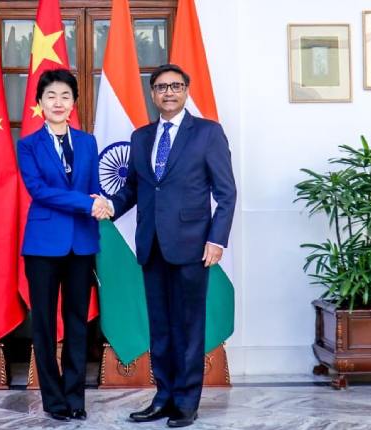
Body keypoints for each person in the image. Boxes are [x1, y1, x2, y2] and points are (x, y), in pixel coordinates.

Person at [106, 63, 236, 428]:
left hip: (193, 246)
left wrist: (217, 239)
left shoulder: (208, 133)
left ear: (186, 91)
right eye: (161, 87)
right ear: (152, 94)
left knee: (189, 327)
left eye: (176, 86)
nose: (168, 92)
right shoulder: (141, 137)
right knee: (160, 328)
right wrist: (111, 206)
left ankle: (186, 402)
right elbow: (134, 188)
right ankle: (163, 397)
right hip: (151, 246)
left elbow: (226, 193)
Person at [17, 68, 110, 422]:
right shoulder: (28, 145)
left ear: (74, 103)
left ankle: (75, 398)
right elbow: (39, 191)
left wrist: (99, 201)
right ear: (40, 102)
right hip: (42, 246)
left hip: (81, 244)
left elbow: (93, 187)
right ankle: (53, 401)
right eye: (51, 96)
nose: (58, 102)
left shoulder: (87, 142)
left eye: (65, 96)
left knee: (77, 323)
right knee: (43, 324)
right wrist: (87, 203)